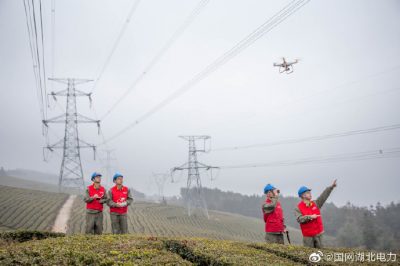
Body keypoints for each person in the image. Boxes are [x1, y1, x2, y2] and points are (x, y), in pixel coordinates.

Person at [295, 179, 337, 248]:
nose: (310, 194)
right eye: (308, 192)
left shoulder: (315, 203)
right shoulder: (298, 208)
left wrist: (331, 187)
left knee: (321, 254)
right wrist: (310, 217)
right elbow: (300, 219)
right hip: (308, 237)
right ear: (303, 195)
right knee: (309, 256)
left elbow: (324, 196)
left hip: (319, 235)